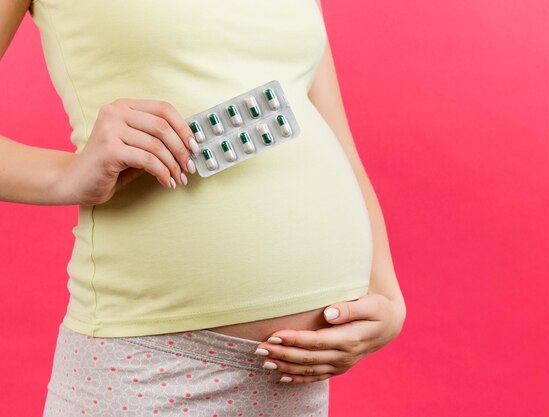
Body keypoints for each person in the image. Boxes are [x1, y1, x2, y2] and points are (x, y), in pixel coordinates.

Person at [0, 0, 406, 415]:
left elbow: (328, 129)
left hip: (294, 380)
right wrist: (64, 175)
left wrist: (387, 294)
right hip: (150, 363)